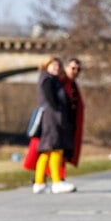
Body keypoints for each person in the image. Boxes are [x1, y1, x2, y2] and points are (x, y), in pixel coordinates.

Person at [31, 57, 76, 194]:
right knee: (56, 149)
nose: (57, 67)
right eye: (54, 65)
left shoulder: (49, 79)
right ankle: (56, 182)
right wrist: (61, 113)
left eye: (58, 65)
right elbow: (52, 100)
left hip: (51, 119)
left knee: (46, 151)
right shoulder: (48, 80)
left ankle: (39, 183)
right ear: (46, 66)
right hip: (52, 120)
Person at [59, 57, 85, 181]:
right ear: (66, 68)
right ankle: (55, 177)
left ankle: (59, 176)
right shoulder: (61, 82)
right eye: (73, 68)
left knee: (64, 153)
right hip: (60, 123)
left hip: (70, 124)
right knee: (57, 151)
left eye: (78, 69)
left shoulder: (74, 85)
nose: (75, 71)